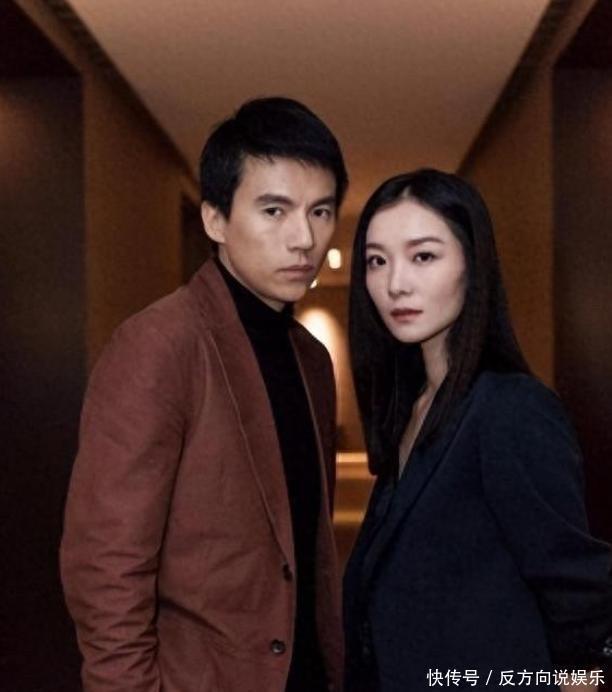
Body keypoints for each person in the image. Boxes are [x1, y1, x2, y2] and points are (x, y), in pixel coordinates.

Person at [60, 97, 348, 692]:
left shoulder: (311, 359)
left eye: (321, 211)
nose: (304, 238)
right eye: (274, 210)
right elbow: (107, 566)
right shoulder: (160, 344)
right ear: (216, 220)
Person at [343, 169, 612, 691]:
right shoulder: (413, 410)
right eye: (377, 261)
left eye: (423, 256)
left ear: (472, 263)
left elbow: (584, 601)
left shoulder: (511, 409)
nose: (396, 283)